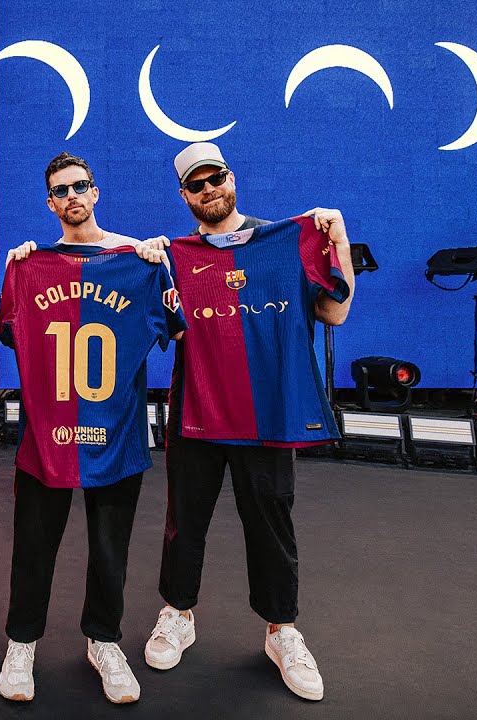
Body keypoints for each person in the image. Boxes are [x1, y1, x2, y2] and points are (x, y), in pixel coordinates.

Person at [141, 141, 354, 702]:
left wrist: (339, 240)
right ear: (184, 195)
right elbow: (156, 327)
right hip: (197, 409)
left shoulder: (283, 244)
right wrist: (144, 264)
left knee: (271, 521)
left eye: (216, 178)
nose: (210, 189)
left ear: (232, 179)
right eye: (197, 184)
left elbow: (335, 310)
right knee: (183, 520)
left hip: (268, 414)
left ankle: (282, 631)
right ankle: (177, 614)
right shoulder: (173, 256)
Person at [0, 152, 185, 704]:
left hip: (116, 434)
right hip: (48, 438)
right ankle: (21, 642)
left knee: (110, 548)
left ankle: (104, 640)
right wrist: (20, 266)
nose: (72, 195)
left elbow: (174, 328)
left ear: (96, 192)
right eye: (61, 190)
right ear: (50, 202)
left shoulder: (138, 258)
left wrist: (160, 267)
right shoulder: (28, 264)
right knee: (33, 546)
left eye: (81, 186)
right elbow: (10, 331)